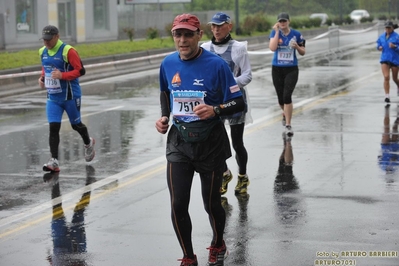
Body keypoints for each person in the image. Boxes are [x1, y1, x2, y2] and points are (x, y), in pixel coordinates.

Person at [155, 13, 245, 266]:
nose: (182, 40)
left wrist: (215, 110)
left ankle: (218, 243)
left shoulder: (216, 65)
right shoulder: (168, 63)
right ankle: (188, 257)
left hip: (211, 143)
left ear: (198, 36)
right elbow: (165, 92)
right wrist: (163, 117)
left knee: (211, 204)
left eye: (187, 35)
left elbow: (238, 102)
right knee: (178, 203)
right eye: (177, 34)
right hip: (179, 142)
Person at [201, 12, 252, 196]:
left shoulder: (238, 48)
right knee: (216, 142)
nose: (216, 30)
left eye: (220, 26)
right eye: (213, 26)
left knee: (237, 143)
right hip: (215, 102)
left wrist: (229, 84)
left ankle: (242, 176)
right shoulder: (205, 48)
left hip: (235, 101)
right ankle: (224, 173)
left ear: (229, 26)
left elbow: (247, 75)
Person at [38, 25, 95, 172]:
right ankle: (54, 161)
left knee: (76, 125)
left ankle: (88, 143)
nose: (46, 42)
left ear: (57, 36)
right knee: (53, 127)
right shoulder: (42, 51)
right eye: (44, 40)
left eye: (49, 39)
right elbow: (46, 67)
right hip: (53, 97)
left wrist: (63, 75)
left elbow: (81, 70)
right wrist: (42, 78)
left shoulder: (68, 50)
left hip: (70, 95)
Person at [269, 12, 306, 137]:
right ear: (278, 22)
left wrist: (296, 46)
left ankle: (288, 124)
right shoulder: (274, 33)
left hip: (291, 69)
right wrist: (277, 32)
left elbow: (303, 52)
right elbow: (272, 48)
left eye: (284, 21)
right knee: (280, 98)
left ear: (289, 22)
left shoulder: (296, 34)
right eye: (280, 21)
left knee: (287, 96)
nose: (282, 23)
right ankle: (285, 112)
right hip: (277, 69)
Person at [376, 20, 399, 103]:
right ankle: (387, 96)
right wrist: (379, 47)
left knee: (395, 78)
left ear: (392, 28)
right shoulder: (382, 36)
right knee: (386, 77)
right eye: (386, 28)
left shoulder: (397, 36)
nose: (387, 30)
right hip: (384, 59)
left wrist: (395, 46)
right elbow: (378, 44)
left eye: (389, 28)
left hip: (394, 59)